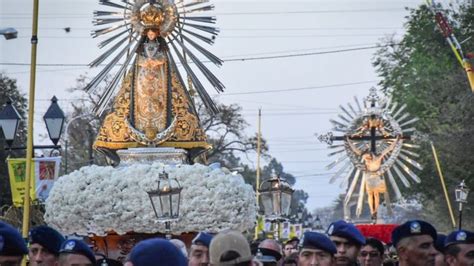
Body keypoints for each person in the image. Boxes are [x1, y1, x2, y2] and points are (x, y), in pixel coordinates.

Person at [347, 136, 399, 220]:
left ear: (370, 155)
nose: (366, 160)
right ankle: (373, 212)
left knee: (375, 194)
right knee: (370, 195)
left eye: (367, 158)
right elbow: (355, 150)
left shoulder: (378, 158)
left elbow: (389, 148)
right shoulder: (366, 157)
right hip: (368, 177)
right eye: (365, 159)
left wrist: (396, 139)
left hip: (375, 176)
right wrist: (348, 141)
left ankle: (375, 211)